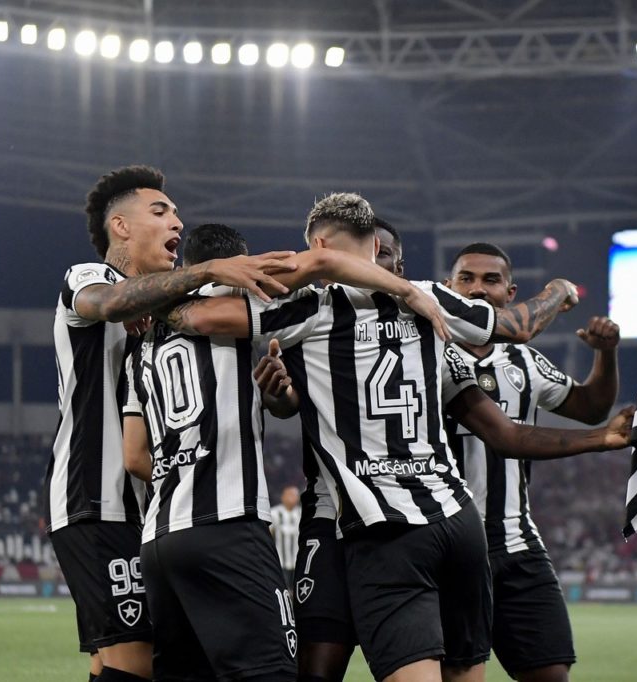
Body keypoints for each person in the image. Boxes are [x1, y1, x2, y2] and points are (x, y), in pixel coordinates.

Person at [158, 192, 580, 682]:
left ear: (318, 245)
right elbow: (517, 325)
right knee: (463, 672)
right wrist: (557, 290)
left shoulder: (309, 308)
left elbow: (200, 317)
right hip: (458, 520)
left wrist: (180, 286)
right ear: (375, 246)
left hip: (384, 524)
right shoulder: (431, 297)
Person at [253, 217, 633, 682]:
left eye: (384, 256)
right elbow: (289, 400)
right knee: (319, 665)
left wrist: (602, 433)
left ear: (401, 269)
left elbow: (508, 432)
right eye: (466, 280)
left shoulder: (441, 340)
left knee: (482, 668)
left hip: (437, 529)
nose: (371, 266)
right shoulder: (310, 318)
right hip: (339, 522)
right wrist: (278, 397)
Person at [122, 221, 445, 681]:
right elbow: (323, 264)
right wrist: (406, 291)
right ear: (239, 264)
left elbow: (134, 456)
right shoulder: (245, 309)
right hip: (228, 524)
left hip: (160, 539)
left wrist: (188, 471)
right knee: (275, 671)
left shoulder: (142, 347)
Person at [44, 167, 297, 682]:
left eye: (178, 213)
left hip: (154, 509)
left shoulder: (168, 310)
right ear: (120, 227)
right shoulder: (88, 278)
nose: (177, 221)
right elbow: (111, 305)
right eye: (160, 212)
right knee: (131, 661)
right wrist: (209, 271)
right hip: (97, 498)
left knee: (132, 660)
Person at [444, 242, 621, 682]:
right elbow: (509, 436)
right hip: (450, 545)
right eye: (466, 278)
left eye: (491, 280)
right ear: (448, 287)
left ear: (510, 292)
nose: (477, 289)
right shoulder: (424, 351)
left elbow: (590, 407)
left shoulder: (522, 361)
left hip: (517, 543)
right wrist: (558, 290)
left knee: (551, 673)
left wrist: (606, 354)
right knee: (462, 674)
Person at [269, 486, 302, 588]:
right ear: (283, 497)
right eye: (289, 495)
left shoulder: (302, 513)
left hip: (299, 560)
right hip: (281, 561)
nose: (292, 498)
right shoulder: (274, 513)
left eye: (294, 495)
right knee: (283, 588)